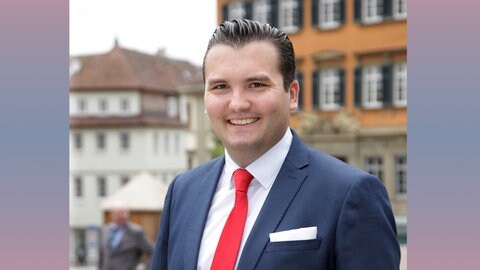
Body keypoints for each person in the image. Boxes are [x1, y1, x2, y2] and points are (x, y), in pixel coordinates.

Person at [151, 19, 400, 269]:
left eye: (256, 85)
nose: (237, 104)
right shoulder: (182, 192)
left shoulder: (351, 194)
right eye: (220, 87)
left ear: (292, 94)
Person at [99, 203, 154, 270]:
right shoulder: (105, 230)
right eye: (119, 213)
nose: (122, 216)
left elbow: (153, 251)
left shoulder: (136, 232)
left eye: (124, 213)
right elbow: (102, 256)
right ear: (112, 215)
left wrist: (146, 268)